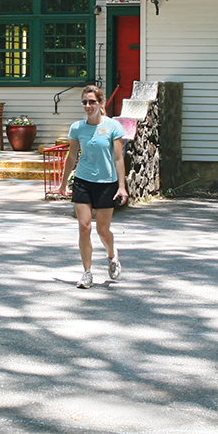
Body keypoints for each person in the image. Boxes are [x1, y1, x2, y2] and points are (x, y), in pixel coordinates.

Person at [61, 83, 127, 289]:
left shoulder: (113, 127)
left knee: (103, 230)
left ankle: (111, 255)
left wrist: (122, 186)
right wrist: (63, 183)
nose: (88, 106)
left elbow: (118, 158)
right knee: (84, 227)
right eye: (85, 102)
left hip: (107, 183)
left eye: (92, 102)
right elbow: (72, 157)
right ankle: (87, 272)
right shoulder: (77, 128)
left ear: (100, 103)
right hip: (83, 182)